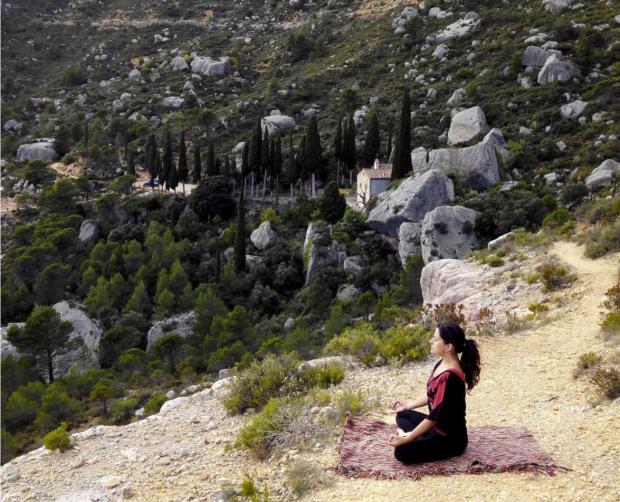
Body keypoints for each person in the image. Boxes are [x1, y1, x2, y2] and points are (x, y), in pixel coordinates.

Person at [388, 321, 481, 464]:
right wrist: (407, 405)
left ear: (448, 347)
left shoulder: (450, 377)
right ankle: (419, 436)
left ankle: (414, 437)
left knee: (401, 453)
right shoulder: (441, 363)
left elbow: (434, 417)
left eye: (436, 339)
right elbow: (432, 395)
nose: (431, 341)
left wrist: (408, 438)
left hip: (450, 439)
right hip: (436, 427)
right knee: (403, 415)